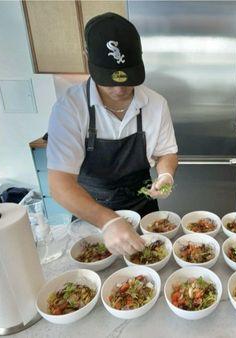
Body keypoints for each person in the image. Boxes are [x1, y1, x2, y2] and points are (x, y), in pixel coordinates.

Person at [46, 13, 178, 256]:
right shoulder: (70, 108)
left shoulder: (156, 104)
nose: (119, 89)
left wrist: (166, 174)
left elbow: (166, 152)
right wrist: (107, 221)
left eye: (127, 79)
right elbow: (60, 184)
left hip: (145, 212)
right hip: (91, 215)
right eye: (109, 80)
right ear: (87, 60)